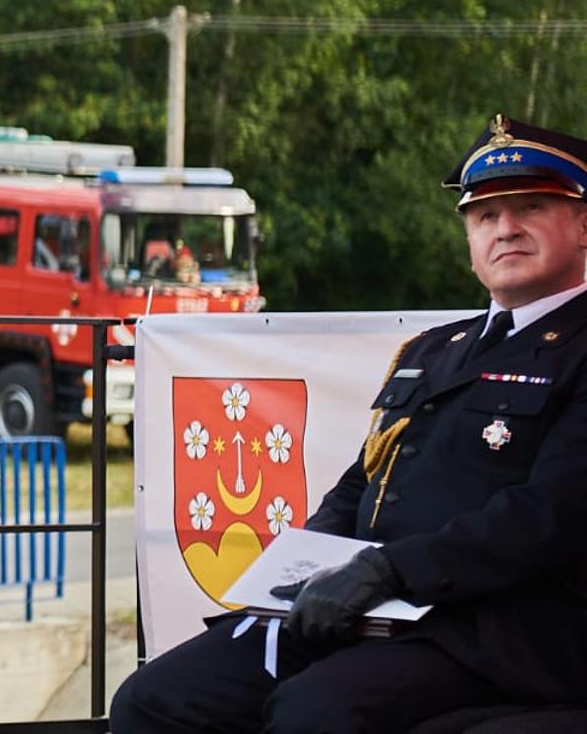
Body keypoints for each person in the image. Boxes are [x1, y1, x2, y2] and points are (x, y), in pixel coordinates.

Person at [110, 113, 587, 733]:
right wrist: (307, 569)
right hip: (367, 609)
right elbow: (365, 480)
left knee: (313, 715)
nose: (506, 230)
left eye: (531, 209)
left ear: (582, 225)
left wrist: (389, 570)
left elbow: (546, 516)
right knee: (153, 700)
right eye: (486, 216)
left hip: (491, 630)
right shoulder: (434, 350)